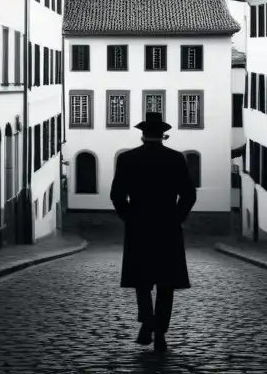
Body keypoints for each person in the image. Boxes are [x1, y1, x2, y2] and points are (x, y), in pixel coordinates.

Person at [109, 111, 197, 353]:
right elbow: (189, 195)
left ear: (142, 134)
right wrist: (176, 218)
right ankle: (160, 334)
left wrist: (130, 218)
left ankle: (147, 322)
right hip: (167, 227)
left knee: (142, 281)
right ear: (163, 135)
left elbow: (116, 195)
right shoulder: (176, 159)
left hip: (139, 227)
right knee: (166, 285)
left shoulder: (127, 159)